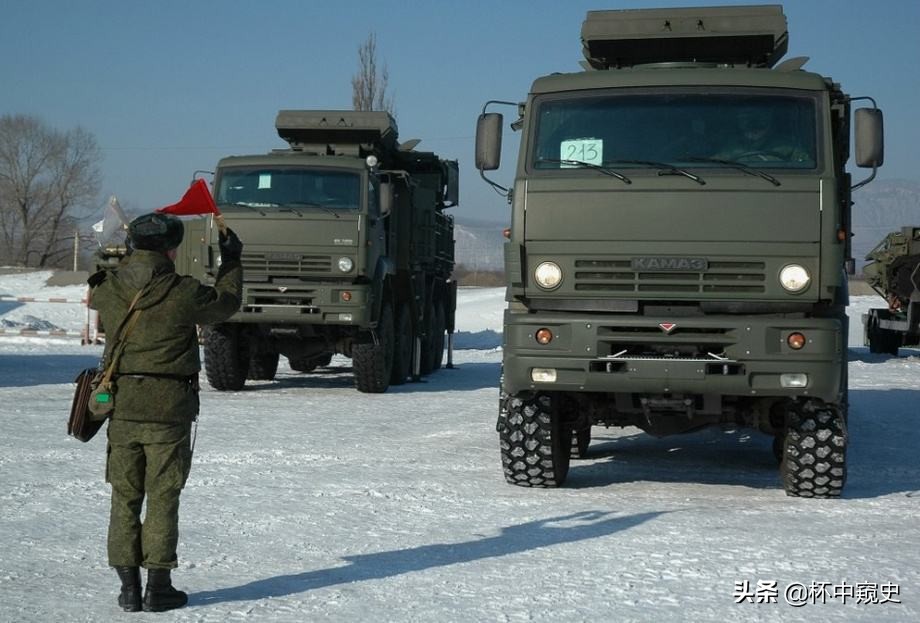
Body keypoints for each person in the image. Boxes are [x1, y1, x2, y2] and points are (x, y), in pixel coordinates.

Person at [88, 212, 243, 612]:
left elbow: (102, 284)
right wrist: (231, 264)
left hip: (121, 406)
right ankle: (159, 587)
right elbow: (225, 304)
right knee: (162, 497)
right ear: (171, 250)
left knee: (123, 497)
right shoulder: (184, 292)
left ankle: (127, 590)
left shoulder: (107, 288)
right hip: (169, 409)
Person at [715, 106, 813, 165]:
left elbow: (807, 166)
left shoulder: (787, 147)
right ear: (739, 123)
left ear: (770, 123)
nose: (753, 127)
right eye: (745, 118)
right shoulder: (731, 147)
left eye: (760, 124)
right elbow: (712, 165)